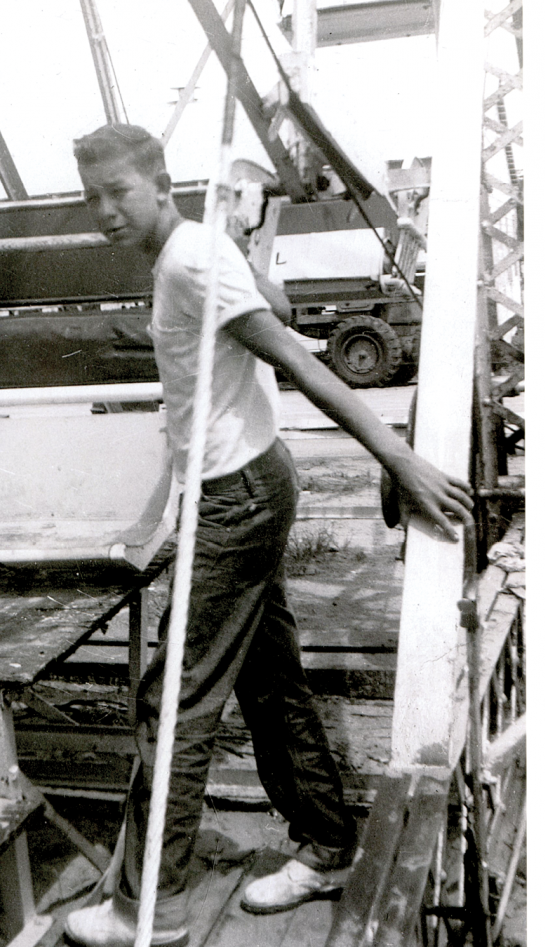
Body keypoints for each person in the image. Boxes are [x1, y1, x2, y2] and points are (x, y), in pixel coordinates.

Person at [65, 124, 474, 947]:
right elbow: (276, 302)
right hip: (248, 483)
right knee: (268, 679)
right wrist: (242, 242)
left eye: (120, 192)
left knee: (173, 701)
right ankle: (325, 841)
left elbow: (294, 351)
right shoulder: (196, 247)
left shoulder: (185, 259)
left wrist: (399, 458)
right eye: (92, 196)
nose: (105, 211)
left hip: (235, 498)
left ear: (160, 183)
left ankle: (149, 907)